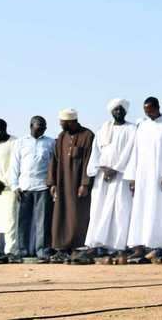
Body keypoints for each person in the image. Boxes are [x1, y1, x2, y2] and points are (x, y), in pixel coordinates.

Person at [125, 97, 162, 263]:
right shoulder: (143, 126)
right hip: (142, 175)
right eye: (145, 111)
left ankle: (156, 245)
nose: (148, 113)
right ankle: (138, 246)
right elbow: (135, 152)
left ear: (157, 107)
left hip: (159, 176)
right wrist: (132, 177)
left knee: (158, 209)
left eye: (150, 110)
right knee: (140, 210)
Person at [84, 99, 136, 264]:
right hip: (102, 175)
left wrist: (116, 168)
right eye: (115, 110)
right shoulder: (103, 129)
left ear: (126, 112)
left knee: (121, 210)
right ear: (111, 112)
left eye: (121, 110)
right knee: (99, 209)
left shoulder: (132, 129)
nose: (118, 112)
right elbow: (96, 151)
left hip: (122, 176)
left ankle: (118, 246)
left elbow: (130, 151)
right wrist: (102, 168)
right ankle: (97, 244)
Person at [46, 109, 94, 264]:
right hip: (62, 183)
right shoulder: (61, 137)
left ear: (71, 121)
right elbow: (54, 160)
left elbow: (89, 161)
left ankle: (77, 247)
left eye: (62, 122)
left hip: (78, 185)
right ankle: (61, 248)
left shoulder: (87, 136)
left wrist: (85, 183)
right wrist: (52, 182)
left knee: (77, 215)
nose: (60, 124)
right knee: (60, 214)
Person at [9, 116, 54, 261]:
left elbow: (53, 165)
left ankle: (42, 251)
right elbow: (14, 166)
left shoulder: (50, 142)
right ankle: (22, 250)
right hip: (24, 187)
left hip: (43, 187)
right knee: (23, 221)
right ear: (31, 126)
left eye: (44, 126)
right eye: (39, 125)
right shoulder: (20, 143)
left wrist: (52, 184)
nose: (42, 128)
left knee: (43, 221)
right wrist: (15, 186)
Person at [0, 119, 20, 263]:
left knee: (10, 221)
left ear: (2, 129)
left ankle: (10, 252)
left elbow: (16, 166)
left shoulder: (15, 143)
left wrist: (5, 182)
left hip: (9, 189)